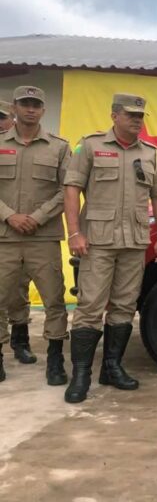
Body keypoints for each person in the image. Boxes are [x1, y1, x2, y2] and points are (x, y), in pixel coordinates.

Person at [63, 93, 157, 403]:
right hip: (96, 241)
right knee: (90, 307)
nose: (137, 120)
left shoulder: (150, 153)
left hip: (134, 242)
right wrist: (74, 233)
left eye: (140, 115)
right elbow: (72, 188)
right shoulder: (91, 145)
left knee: (124, 306)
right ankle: (81, 374)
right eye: (130, 114)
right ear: (114, 115)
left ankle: (112, 367)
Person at [0, 86, 71, 384]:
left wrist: (38, 217)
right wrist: (9, 215)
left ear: (43, 110)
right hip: (4, 237)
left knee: (54, 299)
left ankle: (55, 360)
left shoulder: (59, 147)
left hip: (43, 238)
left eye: (36, 104)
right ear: (14, 108)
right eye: (25, 103)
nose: (31, 109)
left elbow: (66, 189)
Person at [0, 100, 36, 365]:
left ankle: (20, 340)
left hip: (16, 232)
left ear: (11, 118)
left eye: (1, 117)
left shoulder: (22, 146)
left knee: (18, 288)